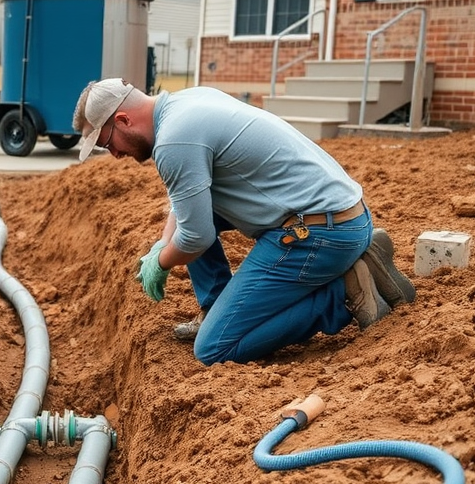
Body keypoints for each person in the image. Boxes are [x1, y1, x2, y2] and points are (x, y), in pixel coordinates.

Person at [72, 78, 416, 366]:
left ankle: (344, 290)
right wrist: (163, 245)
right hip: (342, 215)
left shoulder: (174, 140)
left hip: (320, 234)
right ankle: (216, 306)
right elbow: (185, 205)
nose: (115, 154)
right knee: (193, 217)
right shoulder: (187, 102)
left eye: (107, 143)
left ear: (123, 120)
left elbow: (195, 238)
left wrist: (159, 262)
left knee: (212, 349)